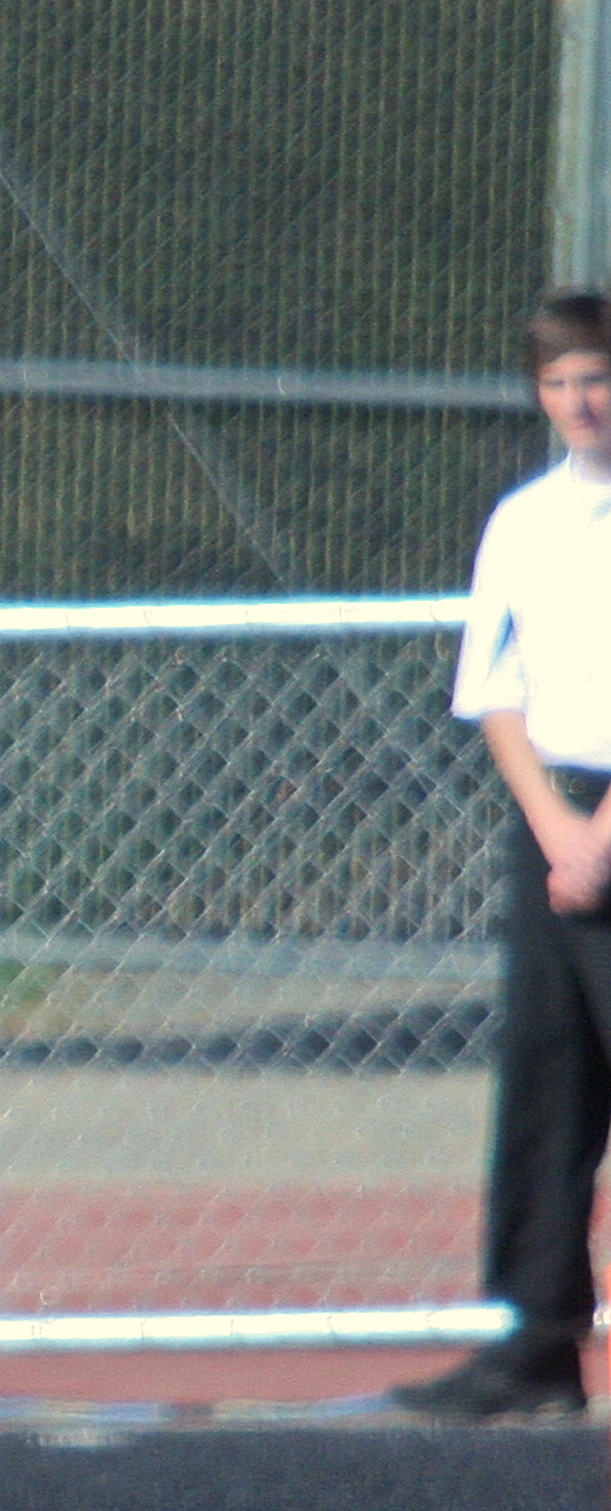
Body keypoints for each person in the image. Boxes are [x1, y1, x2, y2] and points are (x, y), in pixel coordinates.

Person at [392, 292, 611, 1419]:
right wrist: (557, 828)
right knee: (548, 1081)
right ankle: (535, 1343)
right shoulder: (524, 518)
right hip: (552, 827)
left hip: (606, 826)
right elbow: (497, 690)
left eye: (598, 377)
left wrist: (603, 831)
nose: (582, 401)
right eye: (561, 381)